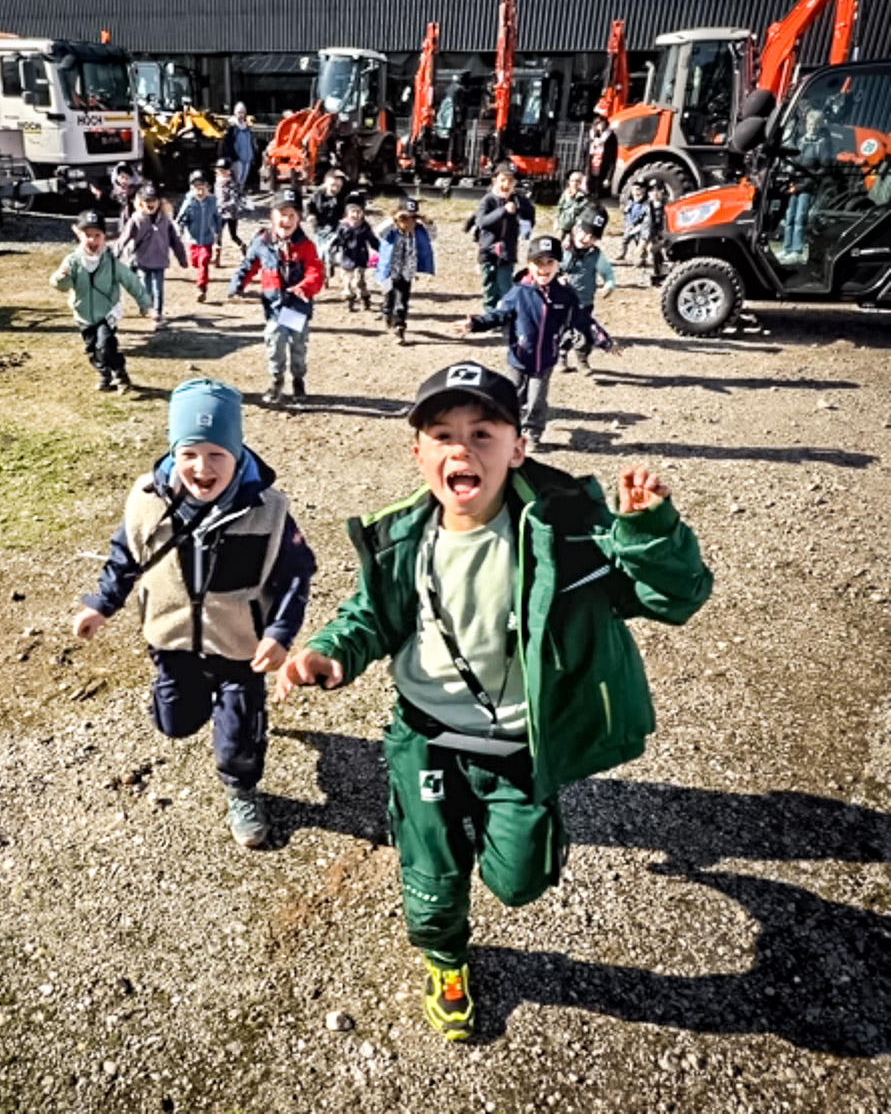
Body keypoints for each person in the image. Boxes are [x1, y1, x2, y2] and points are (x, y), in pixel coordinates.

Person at [267, 360, 712, 1041]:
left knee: (519, 881)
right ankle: (445, 958)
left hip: (517, 747)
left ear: (517, 447)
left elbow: (673, 598)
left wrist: (647, 534)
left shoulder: (566, 531)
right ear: (417, 451)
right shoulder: (402, 540)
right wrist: (329, 653)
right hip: (426, 737)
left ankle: (523, 826)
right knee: (430, 873)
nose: (460, 450)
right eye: (441, 434)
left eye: (482, 433)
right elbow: (369, 616)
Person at [73, 378, 316, 848]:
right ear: (173, 452)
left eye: (216, 455)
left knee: (238, 730)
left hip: (240, 647)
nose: (201, 468)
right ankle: (186, 700)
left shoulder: (268, 511)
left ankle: (242, 789)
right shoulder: (147, 500)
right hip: (171, 640)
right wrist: (101, 604)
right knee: (175, 724)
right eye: (189, 453)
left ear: (237, 451)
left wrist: (281, 633)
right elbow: (124, 558)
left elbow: (296, 576)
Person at [457, 234, 616, 451]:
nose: (544, 268)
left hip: (545, 359)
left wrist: (604, 341)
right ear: (529, 265)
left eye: (550, 262)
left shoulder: (565, 296)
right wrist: (475, 324)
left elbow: (583, 320)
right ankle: (507, 430)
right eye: (538, 263)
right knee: (511, 396)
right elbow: (499, 314)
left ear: (558, 265)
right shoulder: (519, 293)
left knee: (536, 400)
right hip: (519, 357)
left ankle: (532, 433)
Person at [229, 189, 325, 405]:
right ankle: (276, 380)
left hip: (297, 307)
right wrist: (237, 285)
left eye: (292, 215)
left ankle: (298, 379)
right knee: (274, 342)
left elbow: (316, 273)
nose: (286, 220)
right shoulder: (263, 241)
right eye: (282, 214)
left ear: (299, 218)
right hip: (274, 306)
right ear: (272, 216)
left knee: (298, 346)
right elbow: (248, 265)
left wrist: (305, 286)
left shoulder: (306, 245)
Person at [50, 209, 150, 392]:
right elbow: (63, 286)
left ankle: (120, 374)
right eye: (88, 235)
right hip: (83, 314)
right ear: (79, 235)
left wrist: (143, 302)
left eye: (97, 235)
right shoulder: (72, 261)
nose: (93, 240)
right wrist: (60, 278)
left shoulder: (111, 262)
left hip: (107, 312)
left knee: (106, 345)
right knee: (92, 350)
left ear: (104, 236)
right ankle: (104, 375)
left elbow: (130, 280)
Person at [114, 182, 187, 330]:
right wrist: (115, 254)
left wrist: (182, 258)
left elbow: (175, 240)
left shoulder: (165, 220)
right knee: (145, 287)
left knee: (158, 288)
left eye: (153, 200)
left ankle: (157, 314)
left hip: (160, 260)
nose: (150, 204)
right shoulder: (135, 220)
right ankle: (148, 307)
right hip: (143, 260)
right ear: (140, 202)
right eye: (147, 201)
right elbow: (124, 238)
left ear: (159, 201)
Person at [464, 165, 530, 310]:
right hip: (488, 250)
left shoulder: (519, 201)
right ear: (495, 181)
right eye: (503, 180)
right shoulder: (488, 200)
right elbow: (481, 222)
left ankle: (504, 315)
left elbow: (529, 219)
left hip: (507, 251)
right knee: (490, 286)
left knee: (505, 285)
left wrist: (522, 212)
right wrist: (502, 211)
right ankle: (490, 314)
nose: (506, 184)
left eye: (510, 181)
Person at [559, 205, 615, 373]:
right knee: (564, 331)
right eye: (584, 232)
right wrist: (557, 278)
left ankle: (582, 359)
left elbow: (607, 272)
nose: (586, 238)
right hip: (563, 301)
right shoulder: (562, 250)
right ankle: (561, 355)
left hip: (584, 300)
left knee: (584, 331)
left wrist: (609, 284)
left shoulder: (596, 255)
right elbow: (551, 268)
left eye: (592, 237)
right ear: (576, 229)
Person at [376, 196, 435, 345]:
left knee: (402, 299)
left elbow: (433, 235)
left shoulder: (419, 231)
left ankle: (399, 327)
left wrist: (426, 222)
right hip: (389, 270)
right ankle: (387, 312)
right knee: (389, 296)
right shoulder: (391, 231)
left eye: (413, 218)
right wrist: (393, 219)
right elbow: (378, 232)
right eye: (405, 218)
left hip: (407, 270)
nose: (409, 222)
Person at [781, 109, 831, 262]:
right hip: (794, 183)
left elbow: (824, 166)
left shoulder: (821, 144)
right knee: (789, 217)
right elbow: (794, 161)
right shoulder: (801, 141)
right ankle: (787, 248)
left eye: (816, 124)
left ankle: (797, 250)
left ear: (820, 126)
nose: (812, 127)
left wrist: (810, 181)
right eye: (810, 124)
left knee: (800, 218)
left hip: (807, 185)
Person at [329, 188, 379, 312]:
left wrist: (379, 249)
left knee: (359, 280)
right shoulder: (343, 226)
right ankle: (349, 301)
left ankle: (365, 297)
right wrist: (333, 251)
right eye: (352, 212)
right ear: (347, 212)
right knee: (347, 281)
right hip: (347, 257)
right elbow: (336, 240)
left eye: (358, 212)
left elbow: (371, 239)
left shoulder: (364, 226)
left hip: (361, 257)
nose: (355, 215)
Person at [176, 169, 221, 303]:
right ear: (192, 189)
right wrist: (179, 229)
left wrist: (217, 234)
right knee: (195, 262)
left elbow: (217, 218)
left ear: (208, 188)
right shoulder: (189, 202)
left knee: (204, 261)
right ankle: (200, 275)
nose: (200, 192)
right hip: (193, 239)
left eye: (203, 189)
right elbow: (181, 218)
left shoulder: (212, 201)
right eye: (197, 189)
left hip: (207, 239)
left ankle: (201, 287)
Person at [306, 167, 348, 276]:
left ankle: (330, 264)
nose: (335, 188)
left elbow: (347, 209)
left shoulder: (343, 196)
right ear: (325, 183)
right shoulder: (318, 194)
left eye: (338, 186)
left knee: (332, 248)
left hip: (335, 226)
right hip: (320, 226)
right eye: (332, 185)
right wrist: (311, 215)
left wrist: (346, 218)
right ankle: (322, 269)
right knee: (320, 250)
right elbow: (309, 206)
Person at [213, 157, 247, 266]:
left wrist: (225, 205)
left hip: (231, 213)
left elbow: (235, 199)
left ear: (229, 171)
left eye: (224, 171)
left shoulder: (232, 183)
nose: (222, 173)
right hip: (219, 212)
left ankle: (243, 250)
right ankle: (216, 257)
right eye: (220, 170)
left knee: (233, 235)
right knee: (217, 234)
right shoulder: (217, 182)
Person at [220, 101, 257, 192]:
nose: (241, 115)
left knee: (243, 180)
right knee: (237, 180)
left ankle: (240, 197)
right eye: (239, 112)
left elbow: (250, 142)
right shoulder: (231, 127)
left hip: (247, 158)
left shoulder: (247, 127)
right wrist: (233, 156)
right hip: (237, 158)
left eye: (243, 112)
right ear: (235, 113)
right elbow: (227, 143)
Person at [638, 179, 668, 281]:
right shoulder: (646, 205)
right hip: (650, 232)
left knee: (659, 252)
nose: (655, 193)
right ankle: (656, 272)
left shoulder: (667, 205)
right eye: (652, 190)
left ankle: (660, 271)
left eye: (658, 190)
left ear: (662, 191)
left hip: (663, 232)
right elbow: (641, 219)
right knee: (652, 253)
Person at [619, 180, 648, 265]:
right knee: (625, 240)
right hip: (629, 225)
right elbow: (626, 213)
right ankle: (622, 254)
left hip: (639, 226)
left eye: (638, 189)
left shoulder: (644, 204)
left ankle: (642, 258)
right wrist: (627, 223)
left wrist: (636, 224)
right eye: (634, 190)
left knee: (639, 241)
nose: (636, 192)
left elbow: (643, 215)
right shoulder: (630, 202)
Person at [555, 170, 588, 240]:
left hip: (575, 226)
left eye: (577, 181)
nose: (575, 183)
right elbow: (560, 208)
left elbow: (584, 212)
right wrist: (556, 221)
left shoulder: (583, 196)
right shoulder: (565, 194)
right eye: (572, 181)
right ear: (569, 182)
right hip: (563, 223)